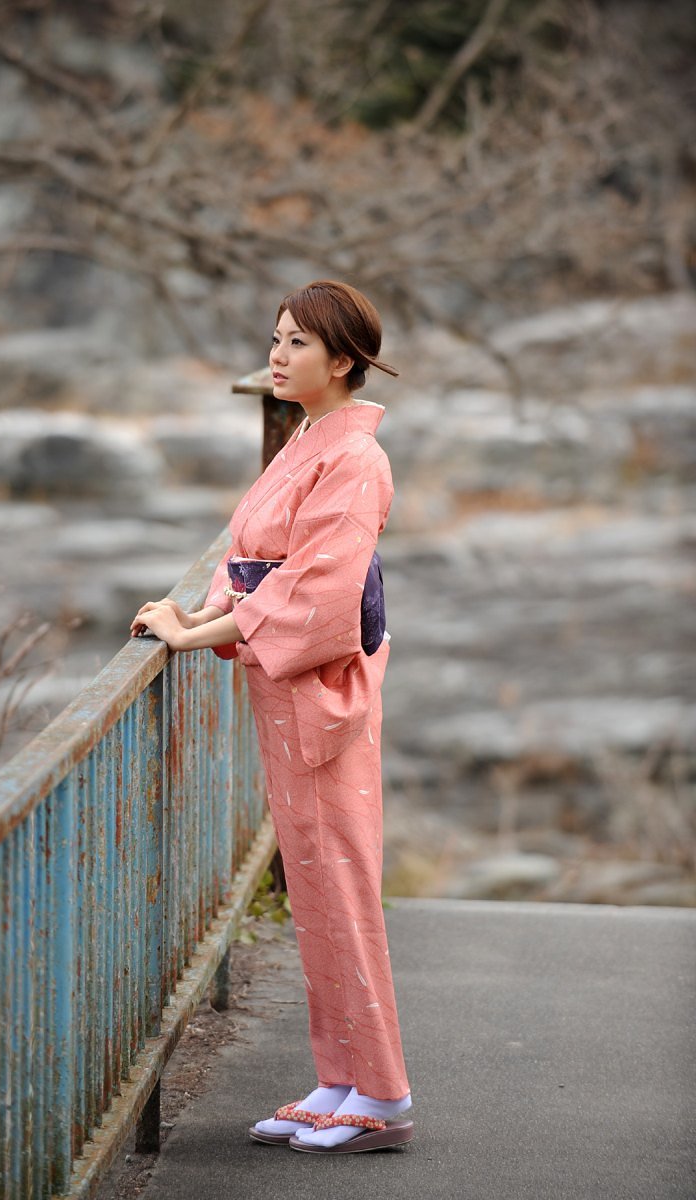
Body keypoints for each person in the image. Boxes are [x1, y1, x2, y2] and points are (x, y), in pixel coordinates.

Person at [130, 280, 413, 1155]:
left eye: (298, 343)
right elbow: (248, 558)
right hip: (284, 690)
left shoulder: (355, 459)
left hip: (322, 691)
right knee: (315, 888)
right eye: (277, 338)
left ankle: (383, 1094)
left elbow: (314, 597)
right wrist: (200, 614)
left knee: (342, 885)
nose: (278, 356)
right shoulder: (307, 439)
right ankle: (340, 1076)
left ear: (344, 360)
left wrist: (193, 635)